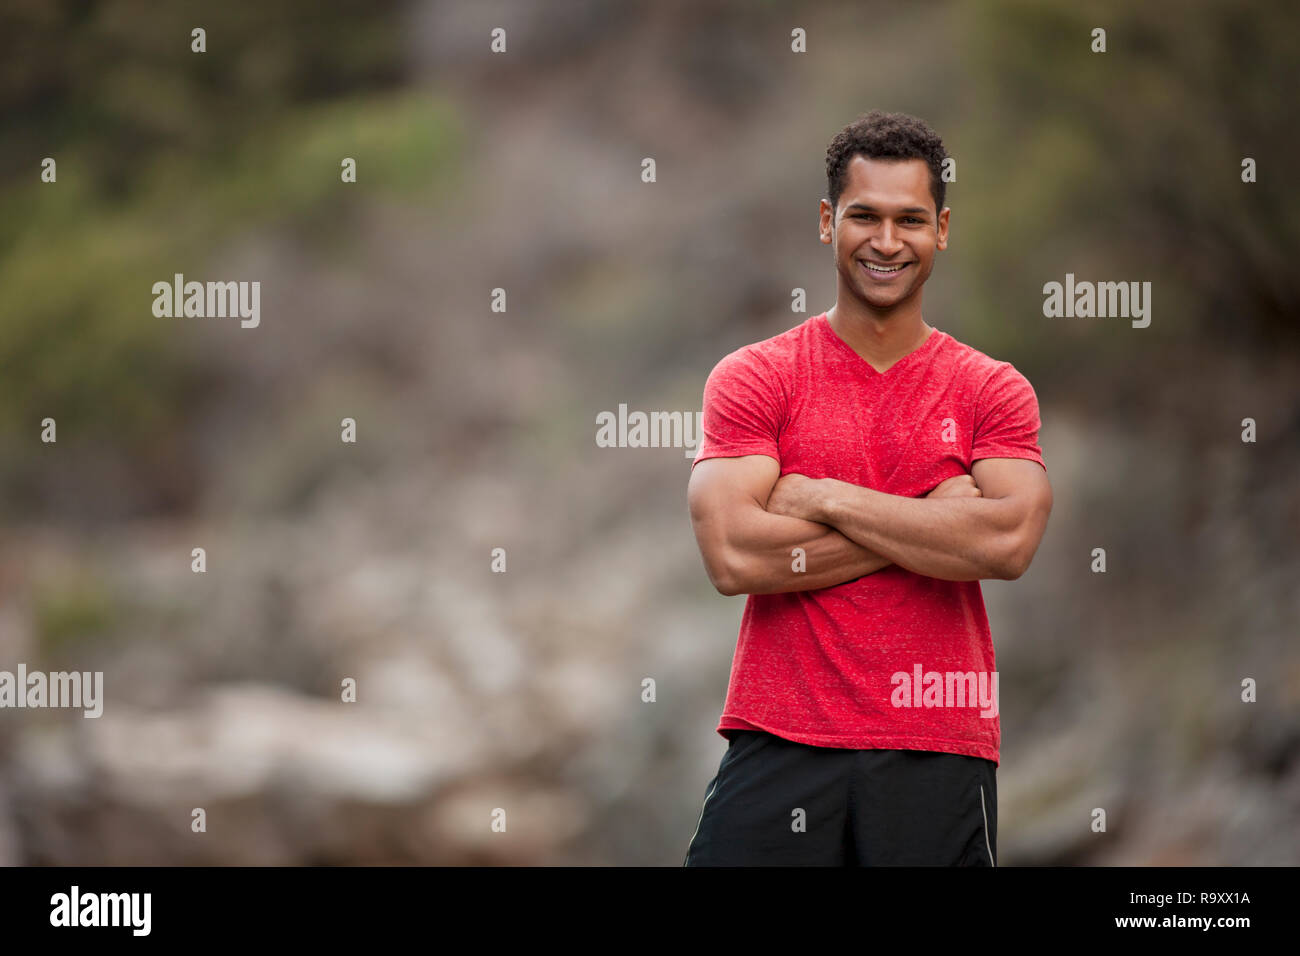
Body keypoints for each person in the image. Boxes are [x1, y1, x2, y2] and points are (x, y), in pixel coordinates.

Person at [683, 110, 1053, 866]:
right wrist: (933, 523)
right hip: (779, 740)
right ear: (828, 221)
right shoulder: (757, 377)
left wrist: (822, 497)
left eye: (911, 220)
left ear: (942, 229)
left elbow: (1009, 541)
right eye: (866, 217)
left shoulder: (991, 389)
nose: (887, 242)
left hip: (937, 740)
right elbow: (732, 555)